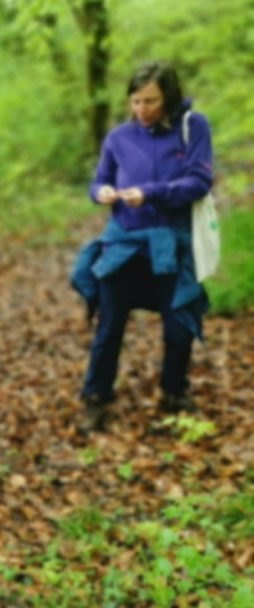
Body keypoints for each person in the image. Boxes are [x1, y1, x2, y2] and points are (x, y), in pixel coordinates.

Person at [72, 61, 212, 432]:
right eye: (135, 101)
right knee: (110, 325)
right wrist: (100, 192)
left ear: (169, 97)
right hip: (123, 245)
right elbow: (99, 180)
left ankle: (173, 392)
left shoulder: (192, 128)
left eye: (150, 101)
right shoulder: (118, 137)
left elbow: (199, 182)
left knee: (179, 324)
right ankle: (96, 398)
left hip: (170, 245)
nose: (142, 109)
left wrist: (151, 194)